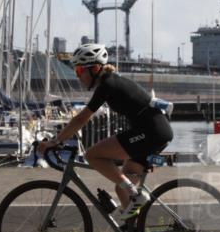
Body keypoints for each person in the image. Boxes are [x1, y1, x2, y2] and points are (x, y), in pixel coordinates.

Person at [36, 43, 173, 219]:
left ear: (94, 68)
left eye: (79, 71)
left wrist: (55, 141)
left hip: (150, 132)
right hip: (155, 131)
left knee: (93, 156)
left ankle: (135, 193)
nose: (78, 76)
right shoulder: (112, 81)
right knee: (121, 185)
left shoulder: (107, 85)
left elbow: (81, 119)